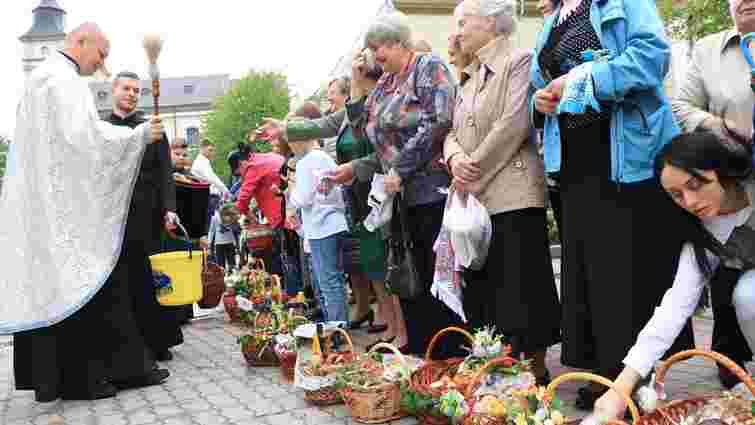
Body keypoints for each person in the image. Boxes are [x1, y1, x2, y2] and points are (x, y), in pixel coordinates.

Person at [530, 0, 694, 408]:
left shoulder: (625, 3)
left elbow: (651, 58)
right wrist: (543, 99)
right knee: (588, 273)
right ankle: (602, 372)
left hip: (626, 155)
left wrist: (582, 80)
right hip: (574, 160)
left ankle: (635, 380)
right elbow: (543, 78)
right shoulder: (552, 17)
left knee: (627, 273)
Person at [3, 23, 168, 402]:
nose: (102, 64)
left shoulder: (42, 77)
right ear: (81, 42)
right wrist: (139, 136)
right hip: (65, 210)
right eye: (102, 53)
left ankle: (57, 379)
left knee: (61, 287)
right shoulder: (63, 82)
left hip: (46, 205)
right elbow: (87, 142)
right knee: (83, 284)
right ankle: (82, 380)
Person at [328, 12, 465, 357]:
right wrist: (357, 84)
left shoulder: (427, 67)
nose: (375, 56)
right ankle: (422, 353)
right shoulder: (386, 84)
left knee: (435, 274)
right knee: (410, 275)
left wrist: (401, 169)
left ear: (396, 42)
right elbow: (364, 132)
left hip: (430, 187)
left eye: (378, 48)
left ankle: (448, 353)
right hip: (399, 193)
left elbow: (439, 122)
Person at [594, 129, 755, 419]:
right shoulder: (704, 232)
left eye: (695, 184)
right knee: (748, 294)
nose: (690, 202)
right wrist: (621, 386)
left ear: (719, 169)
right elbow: (675, 306)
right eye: (677, 195)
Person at [447, 0, 561, 385]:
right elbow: (450, 132)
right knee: (484, 289)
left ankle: (533, 371)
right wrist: (454, 159)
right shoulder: (466, 74)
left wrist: (469, 171)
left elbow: (513, 125)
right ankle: (495, 366)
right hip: (475, 199)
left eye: (464, 21)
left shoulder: (519, 60)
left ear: (493, 22)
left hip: (512, 194)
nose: (457, 30)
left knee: (522, 287)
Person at [258, 71, 409, 350]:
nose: (330, 99)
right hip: (357, 196)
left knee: (371, 267)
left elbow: (379, 149)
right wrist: (285, 126)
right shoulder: (346, 116)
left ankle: (348, 330)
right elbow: (324, 124)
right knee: (369, 266)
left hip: (373, 191)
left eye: (336, 93)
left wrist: (296, 189)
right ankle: (385, 325)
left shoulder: (374, 105)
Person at [670, 0, 755, 387]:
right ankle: (732, 368)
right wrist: (721, 127)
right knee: (732, 285)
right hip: (731, 184)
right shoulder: (708, 50)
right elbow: (678, 105)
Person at [104, 71, 184, 362]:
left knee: (152, 278)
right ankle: (127, 344)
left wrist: (170, 208)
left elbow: (166, 170)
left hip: (149, 213)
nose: (132, 94)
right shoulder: (101, 128)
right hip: (116, 215)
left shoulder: (153, 127)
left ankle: (157, 341)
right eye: (126, 88)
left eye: (137, 90)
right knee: (123, 278)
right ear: (114, 90)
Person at [284, 102, 350, 324]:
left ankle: (337, 330)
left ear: (299, 140)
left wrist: (291, 190)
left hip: (321, 228)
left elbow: (302, 199)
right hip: (336, 223)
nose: (290, 148)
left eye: (291, 143)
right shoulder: (324, 157)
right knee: (336, 279)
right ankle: (339, 326)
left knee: (327, 281)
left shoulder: (305, 163)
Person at [235, 131, 286, 277]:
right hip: (287, 208)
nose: (241, 178)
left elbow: (243, 199)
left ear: (241, 164)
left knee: (281, 257)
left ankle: (287, 288)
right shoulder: (265, 157)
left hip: (280, 214)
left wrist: (249, 216)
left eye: (239, 174)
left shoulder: (252, 166)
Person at [191, 139, 229, 232]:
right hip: (209, 197)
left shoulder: (203, 162)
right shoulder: (201, 162)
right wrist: (224, 189)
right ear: (202, 149)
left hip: (209, 197)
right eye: (210, 150)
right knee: (210, 226)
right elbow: (212, 178)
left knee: (212, 225)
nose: (212, 153)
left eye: (213, 150)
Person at [208, 203, 241, 273]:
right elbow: (211, 230)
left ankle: (232, 278)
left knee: (232, 263)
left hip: (230, 242)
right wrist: (209, 242)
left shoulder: (233, 217)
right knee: (220, 264)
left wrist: (230, 227)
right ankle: (222, 278)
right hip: (219, 243)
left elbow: (236, 229)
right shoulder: (215, 218)